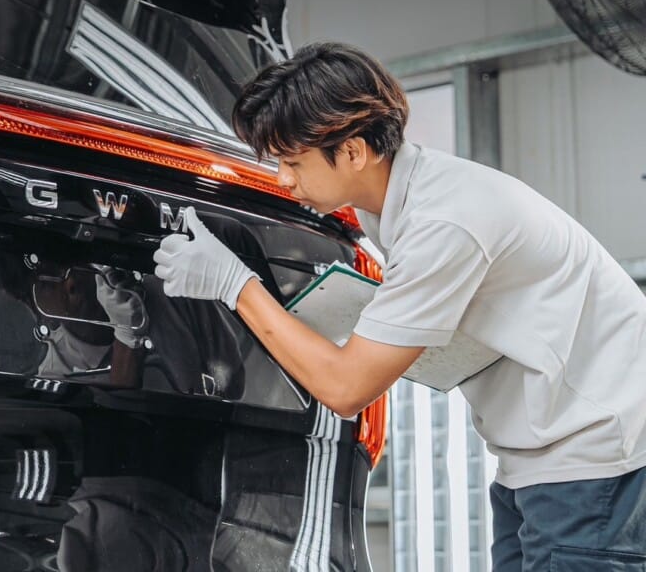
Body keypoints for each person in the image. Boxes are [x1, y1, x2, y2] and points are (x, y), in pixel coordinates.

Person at [152, 42, 646, 570]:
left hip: (593, 457)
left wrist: (235, 285)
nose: (282, 179)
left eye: (292, 161)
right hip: (534, 455)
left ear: (352, 152)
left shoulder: (444, 221)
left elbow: (347, 390)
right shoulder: (392, 207)